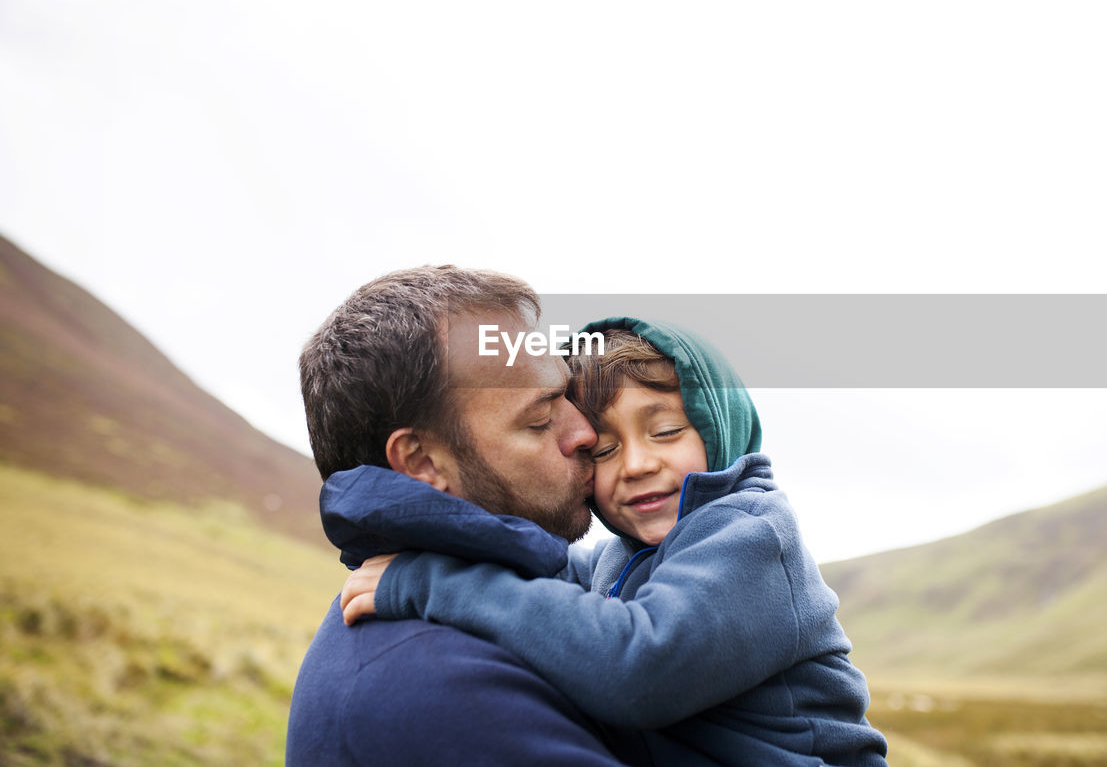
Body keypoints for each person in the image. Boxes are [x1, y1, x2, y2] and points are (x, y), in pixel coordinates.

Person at [341, 318, 891, 766]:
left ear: (720, 425)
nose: (637, 464)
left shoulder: (749, 534)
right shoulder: (621, 558)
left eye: (667, 431)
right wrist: (410, 530)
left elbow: (639, 669)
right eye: (602, 451)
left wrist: (427, 583)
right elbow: (536, 571)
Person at [285, 266, 640, 766]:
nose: (585, 432)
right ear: (423, 462)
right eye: (539, 420)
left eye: (568, 397)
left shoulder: (523, 609)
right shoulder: (437, 689)